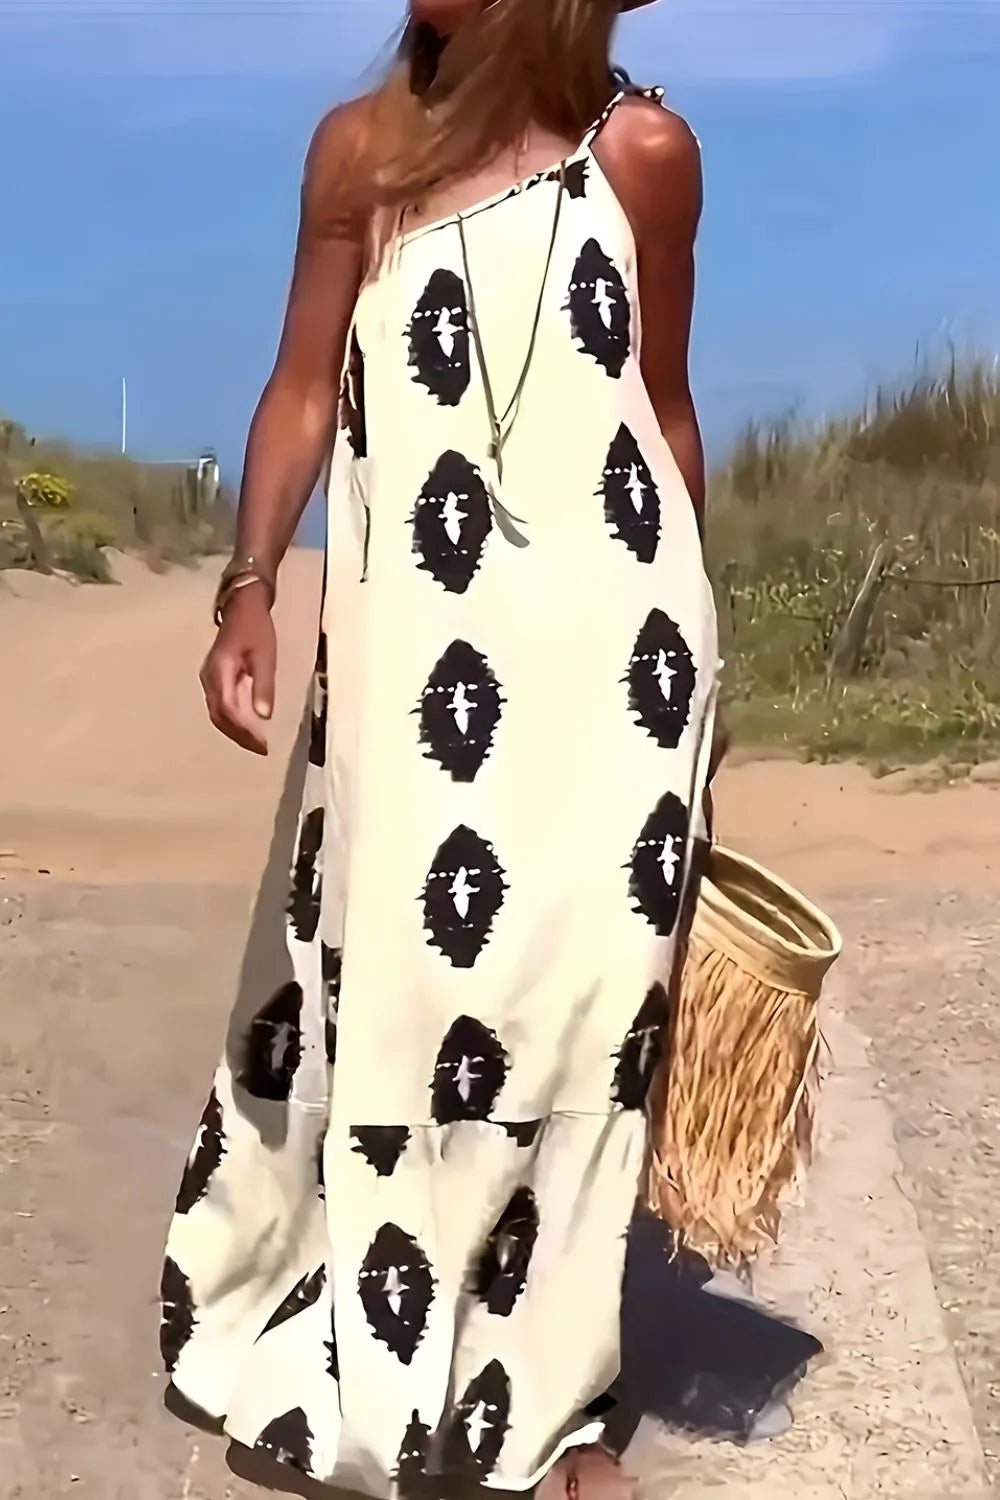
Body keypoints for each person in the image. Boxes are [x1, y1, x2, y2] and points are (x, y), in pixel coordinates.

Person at [160, 3, 817, 1497]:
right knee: (423, 989)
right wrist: (249, 585)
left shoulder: (645, 157)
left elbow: (663, 410)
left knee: (586, 1006)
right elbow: (302, 388)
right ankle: (387, 1340)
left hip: (614, 664)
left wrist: (695, 665)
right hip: (417, 662)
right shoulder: (361, 156)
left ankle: (558, 1405)